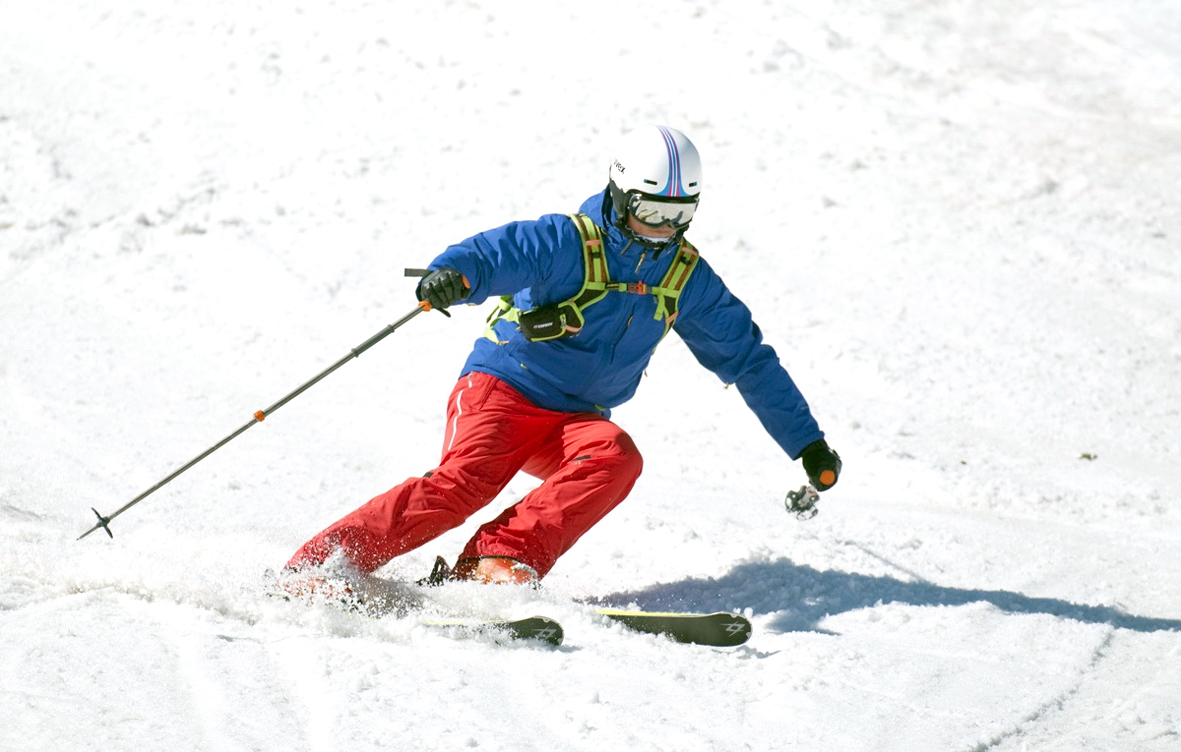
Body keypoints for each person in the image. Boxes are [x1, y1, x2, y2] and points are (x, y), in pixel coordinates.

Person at [284, 125, 841, 587]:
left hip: (575, 419)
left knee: (616, 456)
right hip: (504, 390)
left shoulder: (684, 276)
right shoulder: (570, 241)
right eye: (651, 211)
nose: (664, 229)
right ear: (622, 197)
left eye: (680, 215)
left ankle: (491, 563)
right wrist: (455, 273)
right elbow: (501, 251)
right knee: (465, 484)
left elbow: (747, 358)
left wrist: (806, 442)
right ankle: (319, 570)